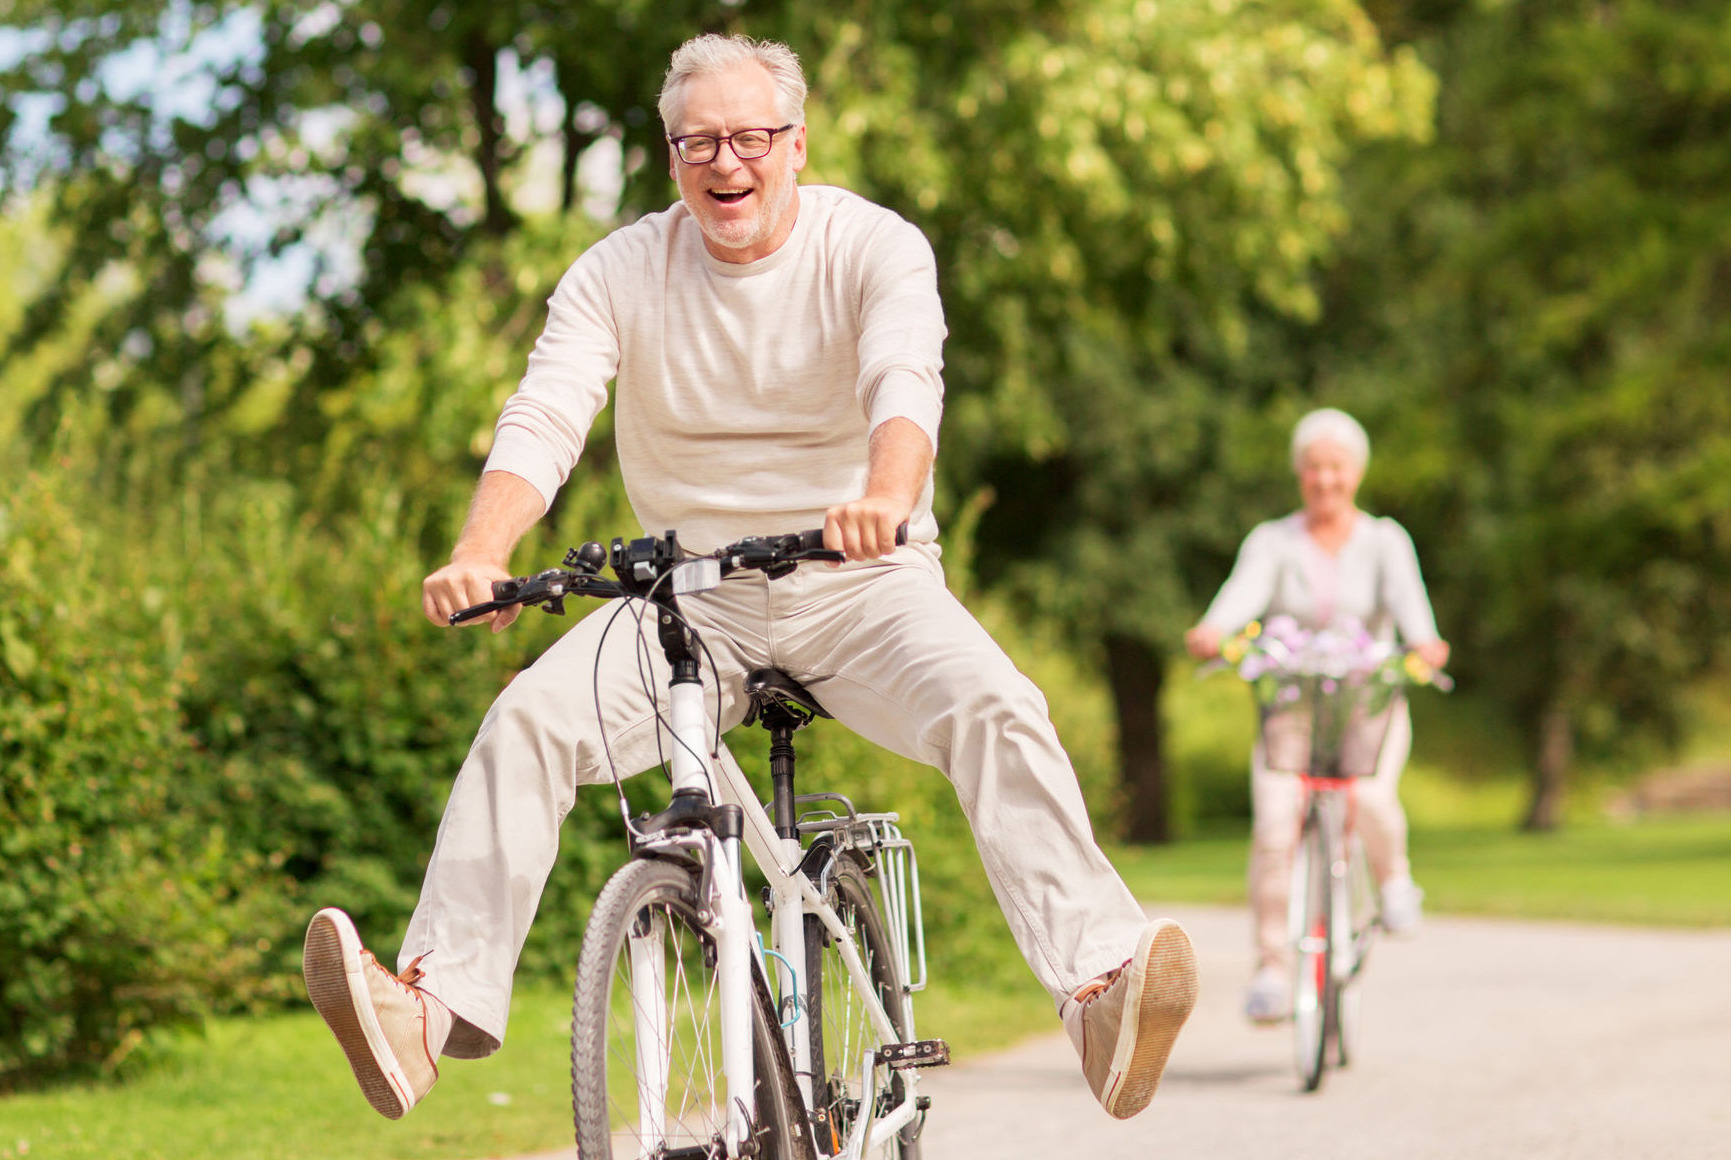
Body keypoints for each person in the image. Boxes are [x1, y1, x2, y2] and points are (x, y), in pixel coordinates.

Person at [301, 33, 1196, 1125]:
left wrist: (885, 494)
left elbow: (905, 379)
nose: (726, 163)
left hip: (862, 580)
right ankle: (425, 1011)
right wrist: (481, 550)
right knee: (527, 719)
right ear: (671, 156)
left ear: (796, 144)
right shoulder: (620, 269)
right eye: (698, 143)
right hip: (688, 599)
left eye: (750, 137)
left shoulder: (872, 245)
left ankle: (1100, 990)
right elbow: (546, 412)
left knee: (996, 703)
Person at [1184, 407, 1449, 1024]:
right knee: (1276, 825)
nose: (1324, 481)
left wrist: (1425, 644)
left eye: (1336, 469)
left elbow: (1415, 615)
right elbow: (1238, 597)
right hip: (1292, 708)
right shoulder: (1273, 541)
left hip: (1368, 705)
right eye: (1313, 469)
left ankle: (1393, 883)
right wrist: (1214, 630)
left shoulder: (1386, 541)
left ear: (1355, 473)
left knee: (1372, 798)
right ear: (1299, 474)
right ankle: (1272, 969)